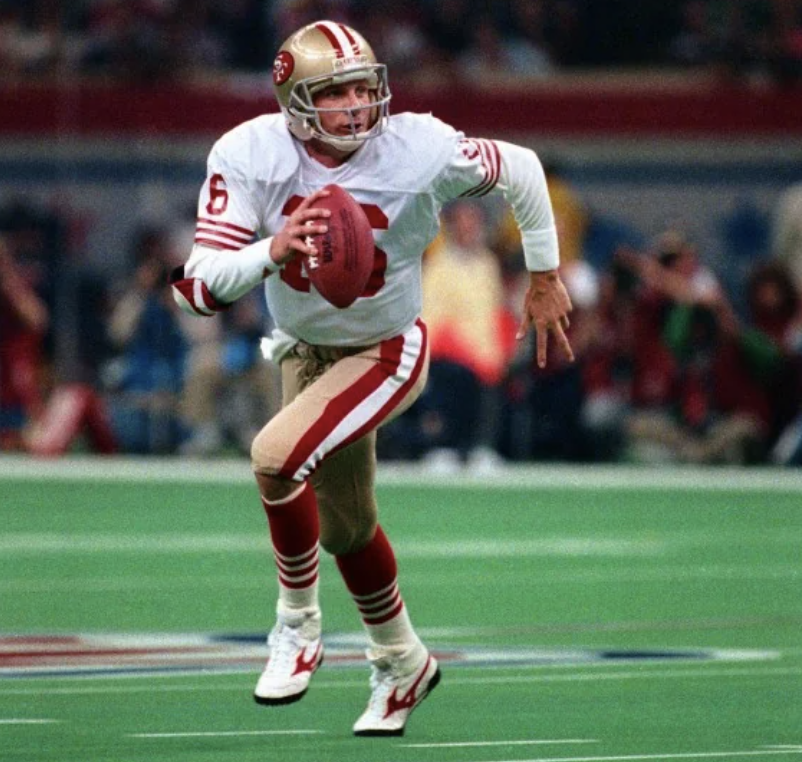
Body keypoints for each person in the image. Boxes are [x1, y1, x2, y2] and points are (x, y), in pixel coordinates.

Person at [169, 19, 573, 736]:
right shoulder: (250, 152)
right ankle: (402, 659)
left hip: (387, 347)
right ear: (295, 99)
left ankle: (296, 624)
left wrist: (543, 273)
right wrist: (274, 249)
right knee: (348, 529)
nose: (358, 104)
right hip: (302, 348)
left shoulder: (415, 146)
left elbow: (521, 167)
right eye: (337, 91)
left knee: (273, 456)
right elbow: (195, 288)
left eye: (365, 86)